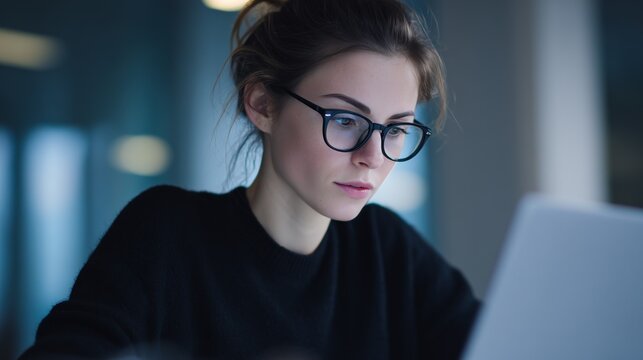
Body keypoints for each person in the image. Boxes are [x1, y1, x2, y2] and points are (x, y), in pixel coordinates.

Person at [20, 0, 480, 358]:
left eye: (395, 129)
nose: (372, 156)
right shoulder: (165, 234)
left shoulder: (389, 253)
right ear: (261, 104)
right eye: (344, 120)